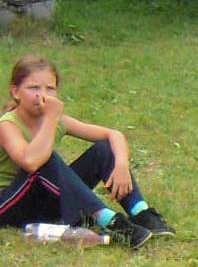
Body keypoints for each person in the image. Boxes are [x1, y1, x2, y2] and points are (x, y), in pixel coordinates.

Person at [1, 53, 174, 248]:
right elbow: (30, 162)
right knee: (45, 159)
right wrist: (50, 118)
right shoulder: (7, 125)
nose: (42, 95)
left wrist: (121, 165)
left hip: (47, 203)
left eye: (50, 88)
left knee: (104, 149)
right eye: (33, 88)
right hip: (10, 206)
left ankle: (142, 213)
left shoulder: (57, 121)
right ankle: (112, 222)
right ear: (15, 92)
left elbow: (113, 134)